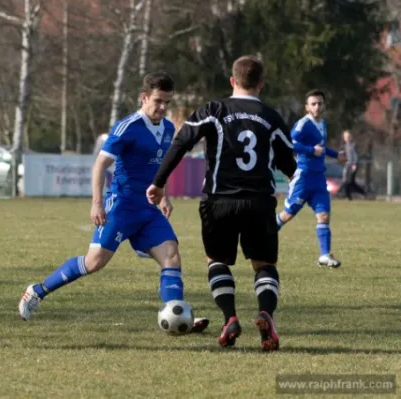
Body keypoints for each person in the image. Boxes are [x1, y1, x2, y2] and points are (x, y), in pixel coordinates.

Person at [18, 72, 209, 333]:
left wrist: (164, 195)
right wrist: (97, 203)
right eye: (158, 101)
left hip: (148, 210)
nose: (163, 107)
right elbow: (100, 165)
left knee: (172, 257)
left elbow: (159, 168)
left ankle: (176, 312)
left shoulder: (167, 128)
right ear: (144, 98)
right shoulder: (127, 127)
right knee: (94, 262)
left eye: (167, 102)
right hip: (122, 206)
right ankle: (37, 291)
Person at [146, 55, 297, 352]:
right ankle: (266, 313)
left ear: (232, 80)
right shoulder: (271, 116)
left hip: (219, 202)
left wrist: (159, 182)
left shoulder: (214, 110)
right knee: (264, 265)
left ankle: (230, 318)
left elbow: (181, 142)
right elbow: (289, 165)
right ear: (261, 84)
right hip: (259, 202)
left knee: (217, 261)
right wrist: (295, 183)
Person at [275, 89, 346, 268]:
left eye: (320, 103)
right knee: (287, 216)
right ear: (307, 107)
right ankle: (262, 237)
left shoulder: (322, 124)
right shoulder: (302, 124)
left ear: (324, 105)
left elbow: (320, 147)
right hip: (303, 178)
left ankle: (324, 255)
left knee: (323, 216)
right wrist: (310, 151)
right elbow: (290, 144)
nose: (317, 106)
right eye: (313, 104)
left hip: (319, 179)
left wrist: (336, 154)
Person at [340, 129, 367, 200]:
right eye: (345, 137)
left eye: (348, 137)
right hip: (348, 165)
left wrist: (354, 164)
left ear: (351, 137)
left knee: (350, 182)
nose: (347, 138)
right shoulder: (345, 146)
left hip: (352, 165)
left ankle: (362, 193)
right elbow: (344, 155)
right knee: (347, 181)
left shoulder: (353, 145)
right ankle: (348, 196)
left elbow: (355, 155)